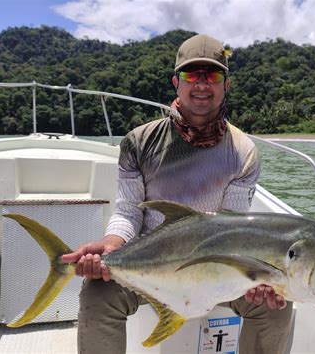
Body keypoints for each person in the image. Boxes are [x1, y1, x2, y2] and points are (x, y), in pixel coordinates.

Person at [62, 34, 294, 354]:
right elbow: (129, 211)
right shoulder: (138, 142)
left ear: (225, 84)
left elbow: (233, 226)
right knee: (97, 295)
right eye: (191, 75)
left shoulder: (243, 152)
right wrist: (112, 245)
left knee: (276, 306)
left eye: (211, 75)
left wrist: (258, 280)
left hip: (220, 266)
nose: (201, 84)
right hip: (152, 260)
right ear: (176, 82)